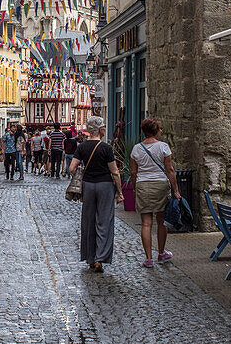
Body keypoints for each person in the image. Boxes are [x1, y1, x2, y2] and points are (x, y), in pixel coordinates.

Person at [69, 115, 123, 273]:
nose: (105, 129)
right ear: (100, 129)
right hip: (105, 185)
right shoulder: (106, 148)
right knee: (104, 220)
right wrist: (119, 192)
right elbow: (115, 172)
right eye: (104, 126)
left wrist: (81, 174)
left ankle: (90, 258)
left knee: (88, 220)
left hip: (88, 185)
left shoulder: (82, 147)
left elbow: (72, 168)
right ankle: (101, 257)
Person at [130, 116, 181, 267]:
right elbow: (170, 170)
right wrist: (176, 190)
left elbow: (133, 173)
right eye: (160, 128)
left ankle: (148, 258)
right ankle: (161, 253)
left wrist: (134, 188)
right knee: (161, 221)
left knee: (146, 223)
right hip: (160, 185)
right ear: (155, 131)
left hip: (143, 185)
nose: (161, 130)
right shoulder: (163, 147)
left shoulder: (136, 149)